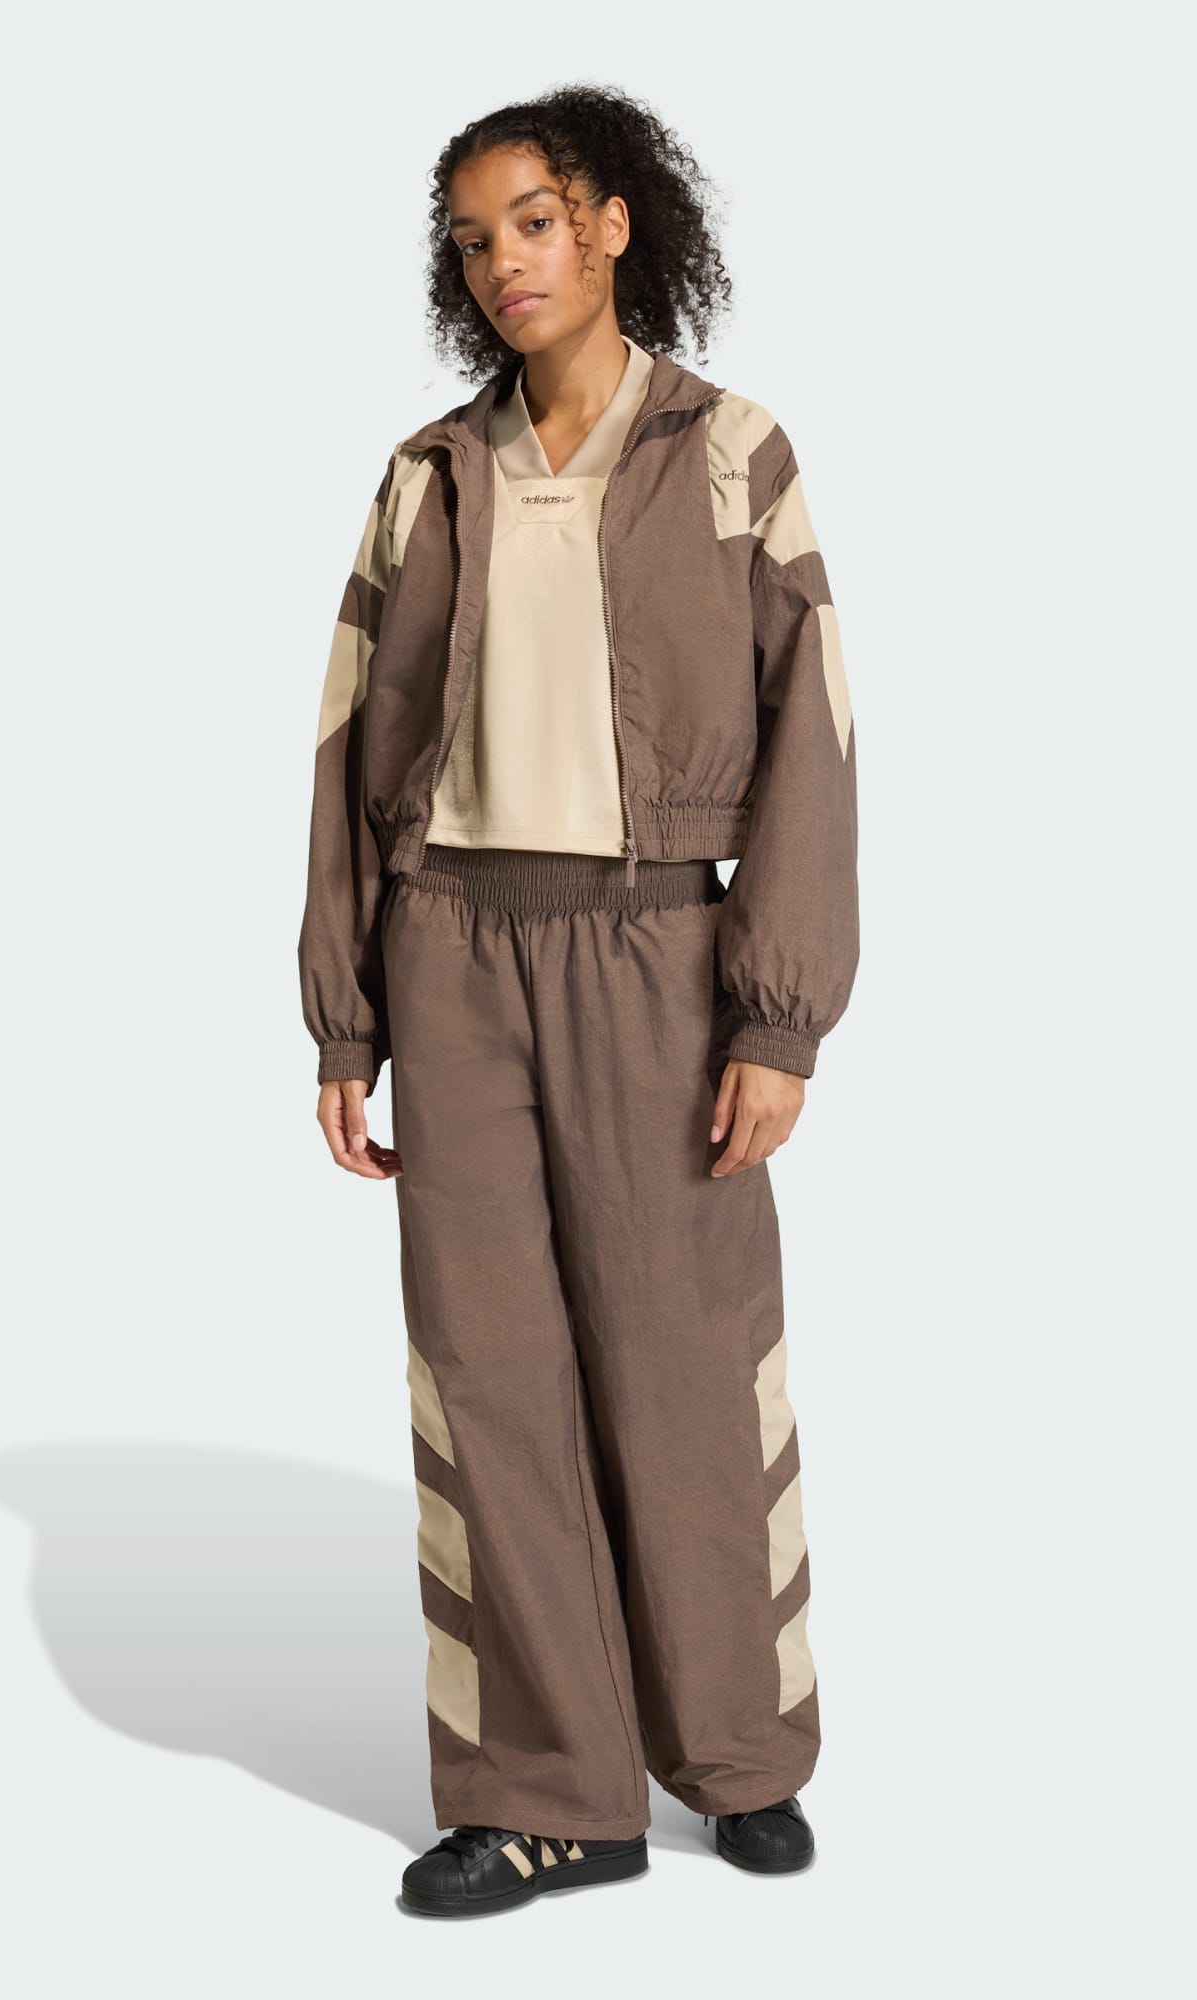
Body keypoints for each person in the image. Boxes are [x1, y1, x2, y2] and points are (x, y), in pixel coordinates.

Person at [297, 83, 859, 1918]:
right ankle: (548, 1795)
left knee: (686, 1358)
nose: (503, 262)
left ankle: (737, 1757)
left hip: (653, 948)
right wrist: (346, 1016)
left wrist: (775, 1019)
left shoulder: (732, 452)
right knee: (490, 1379)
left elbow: (814, 739)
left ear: (614, 223)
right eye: (473, 240)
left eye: (533, 221)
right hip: (450, 946)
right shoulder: (425, 476)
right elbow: (348, 747)